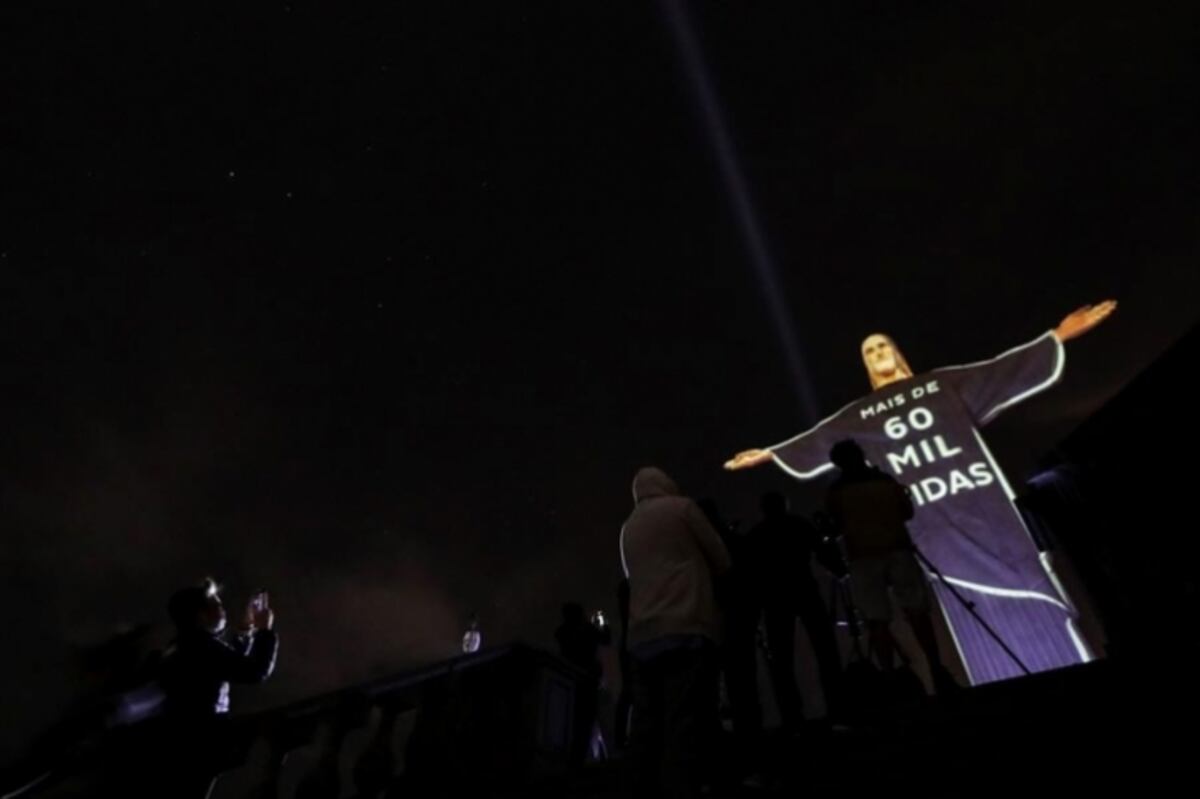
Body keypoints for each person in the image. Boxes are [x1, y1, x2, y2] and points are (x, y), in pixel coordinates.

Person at [725, 302, 1116, 684]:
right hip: (934, 537)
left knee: (1038, 606)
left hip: (990, 520)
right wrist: (770, 454)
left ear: (896, 352)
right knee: (956, 617)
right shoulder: (861, 416)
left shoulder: (942, 385)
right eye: (869, 350)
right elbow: (818, 437)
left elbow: (998, 371)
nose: (878, 353)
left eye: (882, 345)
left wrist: (1059, 335)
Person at [620, 467, 731, 799]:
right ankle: (682, 786)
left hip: (642, 635)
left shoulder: (628, 527)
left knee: (646, 723)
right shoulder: (682, 508)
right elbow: (722, 560)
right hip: (686, 624)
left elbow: (630, 578)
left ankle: (641, 787)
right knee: (685, 717)